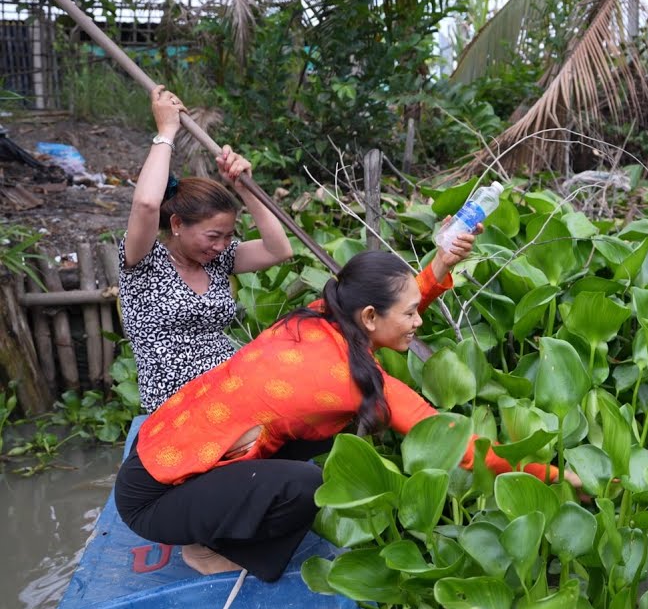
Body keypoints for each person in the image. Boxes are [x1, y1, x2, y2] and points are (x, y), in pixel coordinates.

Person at [113, 234, 569, 582]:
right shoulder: (351, 381)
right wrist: (552, 476)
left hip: (157, 448)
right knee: (310, 484)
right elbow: (458, 446)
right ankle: (209, 548)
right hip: (153, 500)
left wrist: (440, 266)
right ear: (368, 317)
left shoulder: (318, 317)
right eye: (411, 313)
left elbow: (388, 312)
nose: (419, 321)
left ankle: (221, 509)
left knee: (328, 434)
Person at [119, 84, 294, 413]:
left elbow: (278, 250)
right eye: (213, 235)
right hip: (177, 410)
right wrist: (166, 132)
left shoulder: (218, 261)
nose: (221, 245)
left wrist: (245, 189)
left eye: (228, 236)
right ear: (177, 225)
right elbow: (145, 203)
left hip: (231, 394)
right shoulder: (143, 262)